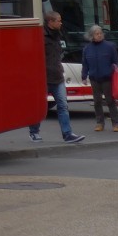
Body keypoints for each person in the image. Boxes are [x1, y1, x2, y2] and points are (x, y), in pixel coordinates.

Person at [28, 11, 85, 144]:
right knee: (39, 106)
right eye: (58, 21)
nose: (61, 23)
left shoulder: (58, 34)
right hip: (44, 78)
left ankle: (67, 134)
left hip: (57, 76)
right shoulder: (41, 36)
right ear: (50, 22)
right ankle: (34, 131)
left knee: (63, 105)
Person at [80, 24, 118, 132]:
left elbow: (116, 61)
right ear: (91, 36)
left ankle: (116, 123)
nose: (99, 35)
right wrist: (84, 76)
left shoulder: (110, 46)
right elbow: (85, 64)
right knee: (97, 101)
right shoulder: (87, 49)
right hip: (94, 78)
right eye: (96, 34)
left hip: (107, 78)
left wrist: (114, 67)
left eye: (100, 33)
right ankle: (100, 123)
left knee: (110, 101)